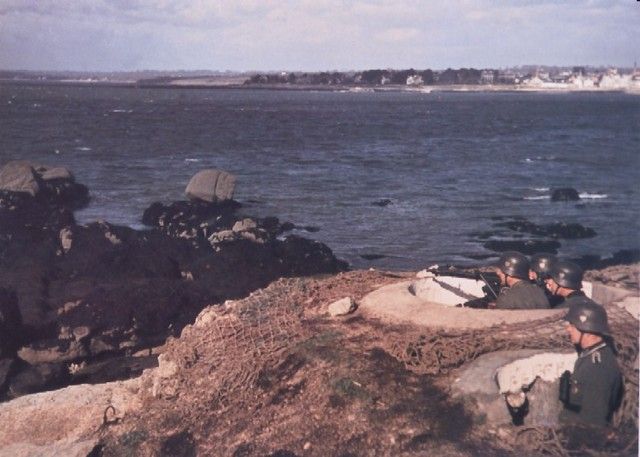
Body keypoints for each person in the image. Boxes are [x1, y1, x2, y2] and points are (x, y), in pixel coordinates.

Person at [559, 297, 622, 426]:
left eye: (572, 325)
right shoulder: (589, 355)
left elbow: (593, 421)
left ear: (587, 330)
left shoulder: (598, 367)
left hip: (581, 439)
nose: (568, 329)